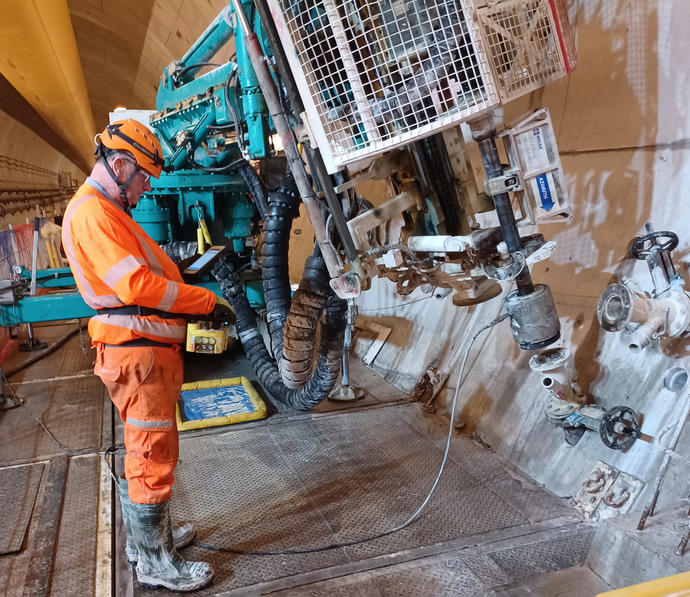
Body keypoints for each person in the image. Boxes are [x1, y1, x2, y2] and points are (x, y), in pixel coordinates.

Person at [62, 118, 231, 592]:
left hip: (145, 353)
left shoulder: (106, 210)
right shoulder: (93, 214)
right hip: (137, 356)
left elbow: (144, 271)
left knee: (150, 449)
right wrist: (202, 300)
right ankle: (155, 561)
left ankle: (147, 541)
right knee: (151, 454)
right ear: (118, 164)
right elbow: (133, 284)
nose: (147, 187)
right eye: (143, 177)